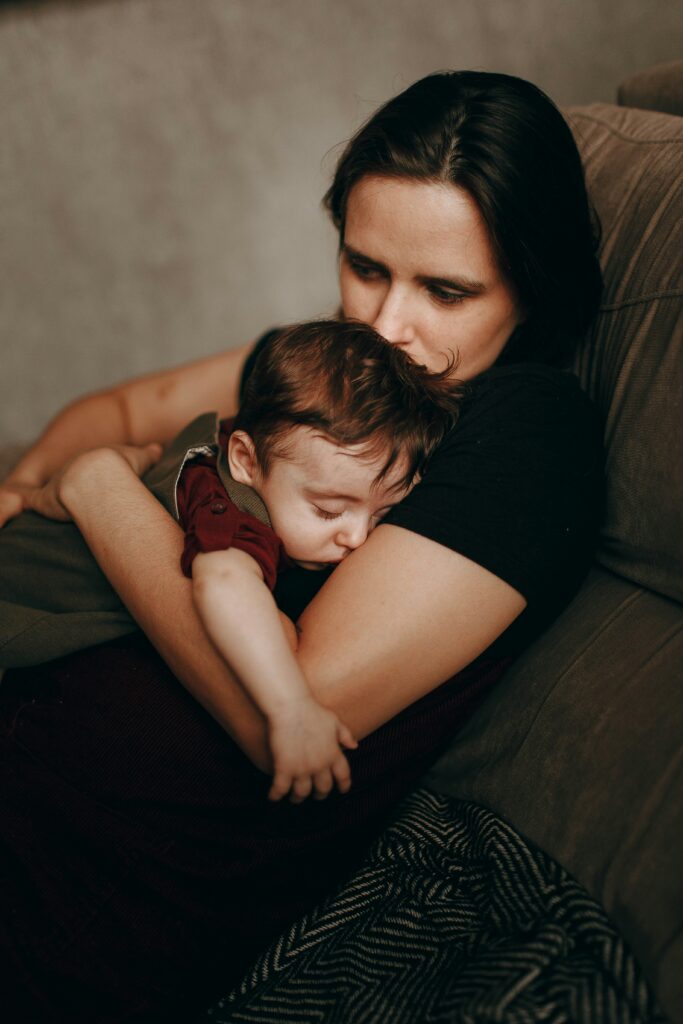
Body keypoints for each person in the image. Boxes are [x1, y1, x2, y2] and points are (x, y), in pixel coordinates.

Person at [0, 70, 604, 1022]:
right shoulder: (335, 376)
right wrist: (24, 486)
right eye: (365, 268)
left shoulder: (528, 429)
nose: (386, 327)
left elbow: (293, 701)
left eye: (445, 291)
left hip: (82, 891)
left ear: (535, 287)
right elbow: (116, 409)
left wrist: (97, 489)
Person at [174, 319, 462, 802]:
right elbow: (223, 581)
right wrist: (291, 708)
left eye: (385, 514)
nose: (358, 537)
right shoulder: (232, 512)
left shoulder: (275, 454)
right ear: (245, 459)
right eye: (328, 509)